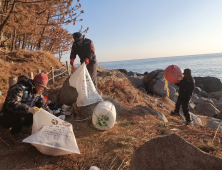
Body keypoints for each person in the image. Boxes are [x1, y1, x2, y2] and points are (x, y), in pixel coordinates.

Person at [0, 73, 50, 138]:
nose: (42, 89)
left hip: (23, 116)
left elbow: (44, 106)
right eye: (42, 87)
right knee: (21, 115)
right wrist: (28, 109)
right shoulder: (19, 88)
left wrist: (51, 116)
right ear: (36, 84)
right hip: (7, 116)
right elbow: (11, 104)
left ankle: (24, 129)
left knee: (37, 114)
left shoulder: (38, 93)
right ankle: (14, 134)